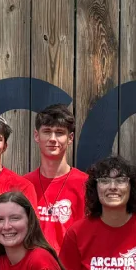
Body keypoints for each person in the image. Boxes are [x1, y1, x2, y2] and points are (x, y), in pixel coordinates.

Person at [28, 105, 88, 247]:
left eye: (59, 132)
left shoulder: (87, 184)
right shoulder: (24, 185)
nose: (53, 139)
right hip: (33, 266)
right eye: (47, 131)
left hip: (69, 268)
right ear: (37, 135)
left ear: (70, 138)